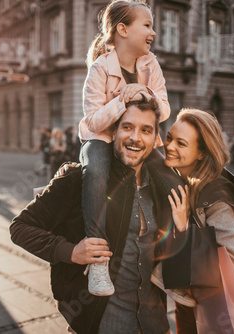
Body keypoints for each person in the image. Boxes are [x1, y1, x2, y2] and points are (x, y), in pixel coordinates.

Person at [11, 98, 191, 334]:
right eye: (128, 127)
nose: (136, 137)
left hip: (154, 324)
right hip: (100, 324)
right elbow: (20, 227)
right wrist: (72, 252)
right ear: (113, 131)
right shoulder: (80, 180)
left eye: (145, 130)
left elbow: (173, 264)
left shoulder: (162, 189)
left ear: (155, 138)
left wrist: (182, 229)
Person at [79, 0, 172, 295]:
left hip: (140, 140)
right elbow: (93, 121)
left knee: (171, 178)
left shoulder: (150, 64)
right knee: (94, 173)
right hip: (103, 139)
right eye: (146, 25)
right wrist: (122, 100)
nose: (153, 33)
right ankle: (98, 262)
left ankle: (168, 252)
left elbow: (165, 109)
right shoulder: (99, 68)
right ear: (122, 30)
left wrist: (143, 91)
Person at [163, 109, 234, 334]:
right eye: (169, 138)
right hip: (188, 300)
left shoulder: (215, 193)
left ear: (201, 153)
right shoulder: (176, 178)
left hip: (224, 305)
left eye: (181, 143)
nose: (170, 146)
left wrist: (183, 229)